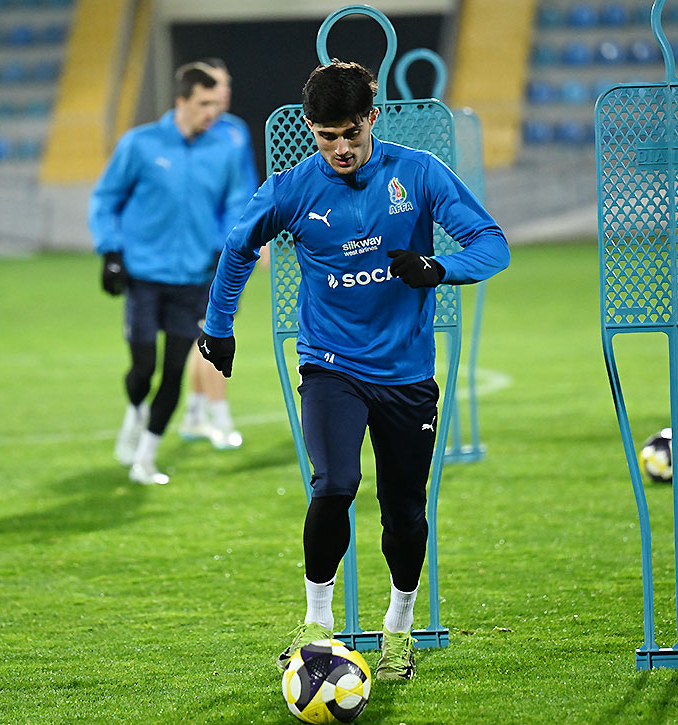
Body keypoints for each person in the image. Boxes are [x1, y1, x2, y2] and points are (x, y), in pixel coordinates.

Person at [196, 61, 510, 680]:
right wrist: (218, 327)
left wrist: (438, 268)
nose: (340, 148)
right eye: (325, 136)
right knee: (335, 484)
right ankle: (316, 623)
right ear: (310, 129)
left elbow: (491, 244)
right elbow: (238, 248)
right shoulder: (291, 190)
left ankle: (399, 629)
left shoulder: (419, 173)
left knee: (404, 511)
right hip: (330, 365)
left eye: (350, 133)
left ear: (371, 118)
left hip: (406, 373)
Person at [88, 61, 254, 485]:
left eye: (215, 104)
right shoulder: (139, 144)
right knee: (143, 368)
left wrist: (225, 247)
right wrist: (110, 252)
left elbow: (237, 203)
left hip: (194, 278)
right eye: (203, 104)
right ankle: (134, 412)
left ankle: (145, 459)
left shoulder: (226, 148)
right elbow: (105, 199)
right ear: (181, 101)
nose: (212, 113)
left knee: (175, 369)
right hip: (144, 275)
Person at [178, 61, 258, 450]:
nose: (223, 93)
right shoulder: (188, 134)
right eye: (216, 87)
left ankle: (194, 414)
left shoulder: (234, 132)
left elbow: (245, 192)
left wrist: (252, 238)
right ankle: (221, 419)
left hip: (229, 247)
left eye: (226, 86)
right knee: (211, 329)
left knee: (203, 329)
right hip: (200, 250)